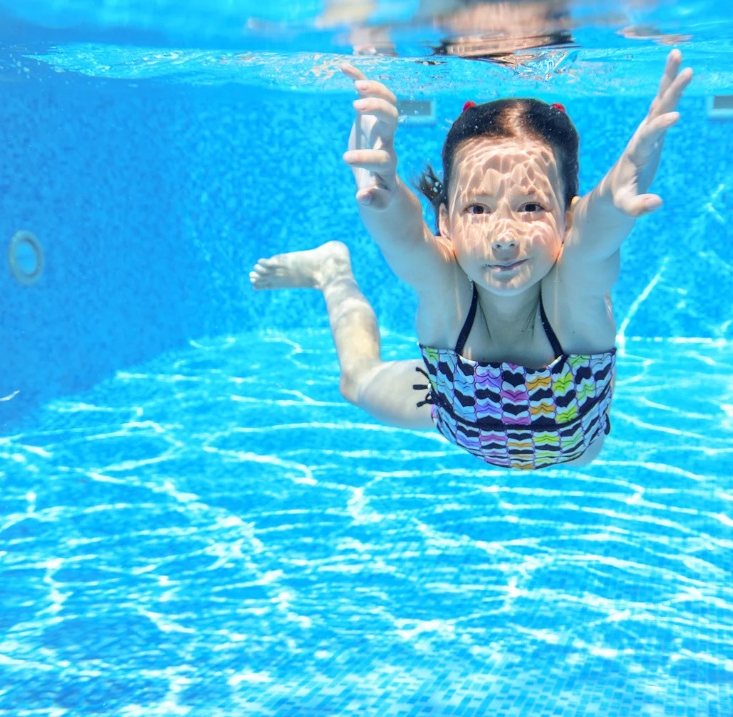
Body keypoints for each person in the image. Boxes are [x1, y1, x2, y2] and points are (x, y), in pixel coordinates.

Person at [251, 49, 692, 470]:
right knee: (356, 381)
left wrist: (619, 192)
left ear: (567, 218)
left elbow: (596, 236)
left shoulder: (570, 293)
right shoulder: (448, 285)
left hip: (573, 446)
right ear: (445, 220)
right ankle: (333, 271)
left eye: (531, 207)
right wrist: (379, 190)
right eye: (477, 209)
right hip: (447, 412)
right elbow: (403, 237)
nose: (503, 238)